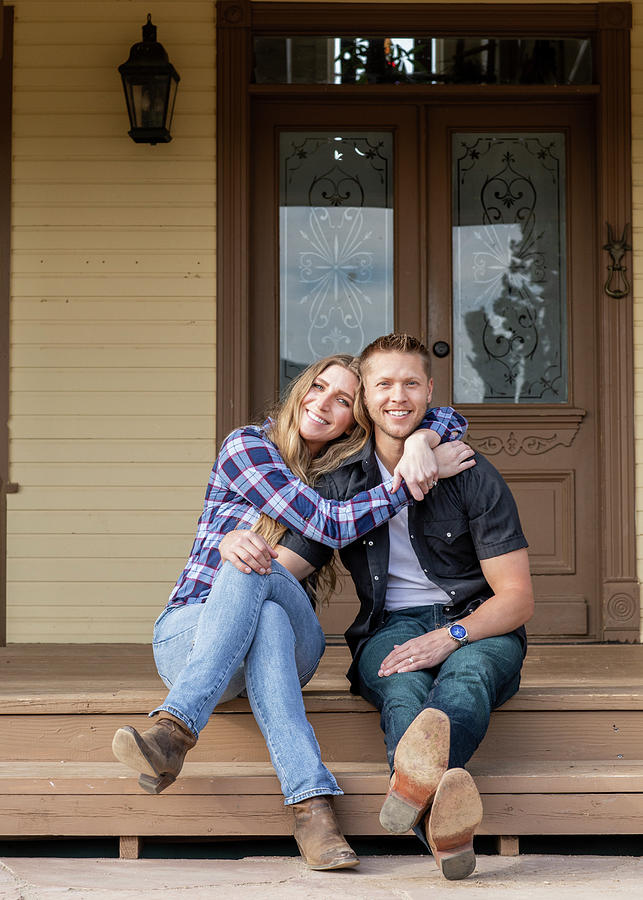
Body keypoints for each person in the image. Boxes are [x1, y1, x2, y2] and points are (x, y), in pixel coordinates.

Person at [111, 352, 472, 871]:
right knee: (248, 576)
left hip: (283, 638)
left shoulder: (342, 473)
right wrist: (410, 482)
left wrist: (421, 442)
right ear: (299, 388)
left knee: (254, 576)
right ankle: (311, 805)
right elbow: (322, 521)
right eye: (318, 387)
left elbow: (446, 418)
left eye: (344, 400)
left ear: (357, 418)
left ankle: (173, 732)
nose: (323, 404)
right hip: (191, 634)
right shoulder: (248, 445)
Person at [270, 333, 534, 881]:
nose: (398, 396)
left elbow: (516, 598)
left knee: (466, 681)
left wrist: (453, 635)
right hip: (386, 628)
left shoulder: (469, 471)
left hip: (479, 625)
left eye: (411, 383)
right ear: (365, 397)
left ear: (430, 391)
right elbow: (287, 564)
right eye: (384, 384)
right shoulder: (344, 484)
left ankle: (420, 805)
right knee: (402, 687)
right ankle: (442, 828)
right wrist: (234, 552)